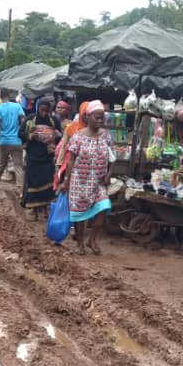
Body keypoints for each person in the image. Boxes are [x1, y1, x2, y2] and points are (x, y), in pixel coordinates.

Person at [61, 101, 114, 255]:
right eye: (97, 118)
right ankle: (80, 244)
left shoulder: (106, 136)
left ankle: (92, 240)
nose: (100, 121)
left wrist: (109, 175)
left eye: (102, 118)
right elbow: (71, 160)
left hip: (98, 182)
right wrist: (67, 181)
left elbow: (112, 158)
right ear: (87, 117)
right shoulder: (78, 137)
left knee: (103, 207)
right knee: (79, 215)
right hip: (79, 181)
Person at [21, 97, 62, 211]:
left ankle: (44, 206)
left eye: (46, 111)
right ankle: (32, 208)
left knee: (47, 181)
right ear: (38, 108)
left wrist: (55, 137)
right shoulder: (30, 119)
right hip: (33, 156)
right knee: (33, 182)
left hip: (47, 157)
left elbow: (60, 137)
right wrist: (30, 136)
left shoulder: (54, 120)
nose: (44, 113)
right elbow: (20, 133)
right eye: (42, 110)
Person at [0, 88, 26, 198]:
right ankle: (21, 192)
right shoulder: (17, 106)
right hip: (16, 141)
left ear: (0, 97)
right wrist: (25, 137)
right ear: (9, 96)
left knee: (0, 166)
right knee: (18, 166)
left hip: (3, 141)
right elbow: (23, 121)